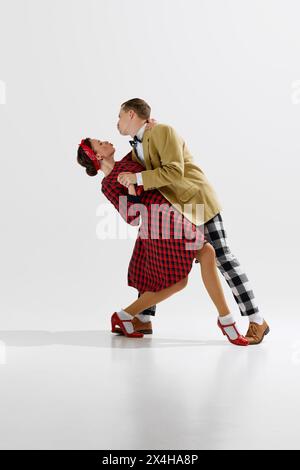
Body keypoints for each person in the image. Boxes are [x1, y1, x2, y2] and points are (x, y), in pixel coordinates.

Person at [115, 98, 270, 345]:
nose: (117, 122)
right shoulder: (138, 144)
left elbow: (175, 171)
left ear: (131, 114)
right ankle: (143, 318)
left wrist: (136, 177)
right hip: (175, 210)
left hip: (196, 202)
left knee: (222, 258)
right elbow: (125, 167)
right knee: (153, 257)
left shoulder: (163, 130)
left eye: (119, 116)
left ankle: (257, 320)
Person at [77, 138, 249, 346]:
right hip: (157, 222)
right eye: (101, 143)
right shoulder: (108, 185)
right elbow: (132, 218)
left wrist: (150, 130)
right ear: (97, 156)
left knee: (197, 262)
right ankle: (226, 321)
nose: (107, 141)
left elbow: (149, 156)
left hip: (170, 211)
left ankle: (124, 316)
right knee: (195, 265)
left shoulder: (127, 161)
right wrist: (131, 187)